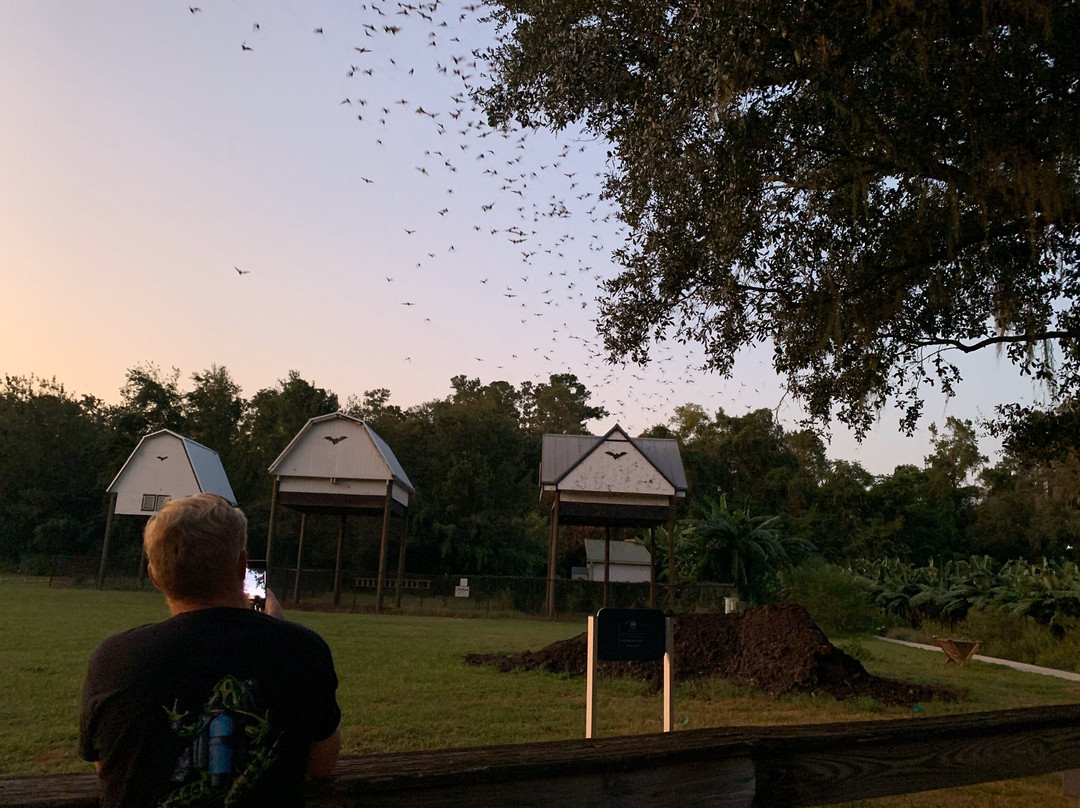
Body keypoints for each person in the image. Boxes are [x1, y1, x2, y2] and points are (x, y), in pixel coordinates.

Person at [79, 494, 341, 808]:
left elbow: (107, 764)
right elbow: (321, 764)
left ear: (155, 576)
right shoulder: (302, 649)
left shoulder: (115, 658)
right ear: (243, 566)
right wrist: (280, 632)